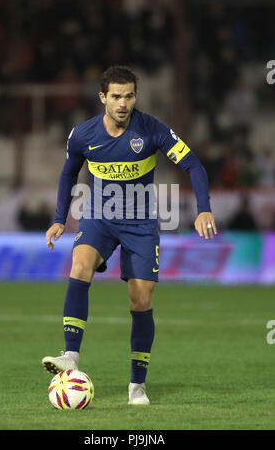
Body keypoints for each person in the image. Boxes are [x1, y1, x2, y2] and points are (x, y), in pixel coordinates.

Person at [42, 66, 217, 405]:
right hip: (99, 217)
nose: (123, 103)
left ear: (136, 96)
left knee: (141, 299)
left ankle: (137, 385)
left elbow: (193, 164)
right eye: (117, 96)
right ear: (103, 98)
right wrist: (60, 218)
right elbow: (68, 173)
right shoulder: (82, 134)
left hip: (140, 223)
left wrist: (204, 208)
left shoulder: (152, 129)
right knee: (79, 265)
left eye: (130, 96)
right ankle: (71, 356)